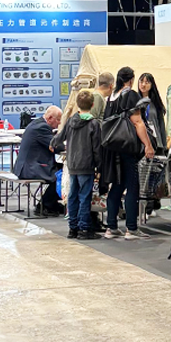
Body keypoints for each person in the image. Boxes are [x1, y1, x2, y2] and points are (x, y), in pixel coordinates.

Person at [100, 66, 153, 241]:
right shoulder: (130, 95)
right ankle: (131, 228)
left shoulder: (111, 98)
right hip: (127, 146)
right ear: (131, 79)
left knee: (117, 185)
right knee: (132, 186)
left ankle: (111, 227)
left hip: (112, 147)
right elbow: (137, 122)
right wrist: (148, 145)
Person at [53, 89, 102, 239]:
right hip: (86, 165)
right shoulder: (94, 124)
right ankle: (84, 229)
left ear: (77, 104)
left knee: (72, 196)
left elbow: (59, 137)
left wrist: (53, 143)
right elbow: (96, 148)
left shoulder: (70, 121)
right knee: (84, 197)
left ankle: (72, 228)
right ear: (92, 105)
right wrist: (99, 166)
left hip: (72, 165)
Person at [13, 105, 63, 215]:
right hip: (30, 168)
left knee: (62, 170)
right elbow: (56, 146)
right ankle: (45, 205)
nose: (59, 123)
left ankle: (51, 203)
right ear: (50, 118)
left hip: (28, 165)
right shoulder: (42, 128)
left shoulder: (37, 123)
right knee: (62, 176)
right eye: (58, 120)